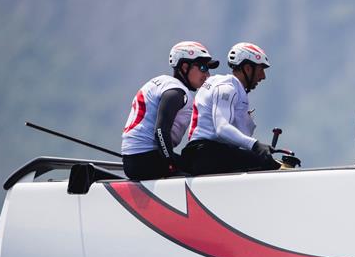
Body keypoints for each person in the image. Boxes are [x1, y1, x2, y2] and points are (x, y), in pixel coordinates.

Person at [120, 41, 219, 180]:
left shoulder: (164, 82)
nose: (207, 75)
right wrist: (171, 165)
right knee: (207, 166)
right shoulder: (177, 92)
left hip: (135, 159)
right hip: (146, 159)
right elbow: (160, 131)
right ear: (185, 67)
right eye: (203, 67)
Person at [180, 42, 280, 175]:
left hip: (207, 153)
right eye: (261, 69)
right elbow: (222, 128)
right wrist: (256, 146)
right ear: (248, 68)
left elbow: (238, 137)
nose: (263, 76)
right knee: (267, 164)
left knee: (265, 161)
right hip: (204, 154)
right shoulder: (227, 88)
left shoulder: (233, 89)